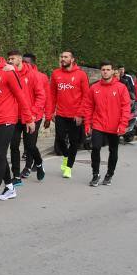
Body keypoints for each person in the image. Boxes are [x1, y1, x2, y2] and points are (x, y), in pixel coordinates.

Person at [0, 39, 34, 207]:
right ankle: (10, 187)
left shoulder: (8, 72)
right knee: (0, 155)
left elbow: (21, 96)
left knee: (1, 155)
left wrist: (29, 118)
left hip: (8, 120)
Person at [82, 61, 131, 186]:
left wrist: (122, 124)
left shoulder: (121, 88)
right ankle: (95, 174)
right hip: (98, 124)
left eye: (108, 69)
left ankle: (109, 174)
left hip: (115, 126)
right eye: (103, 69)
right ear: (101, 71)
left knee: (113, 150)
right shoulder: (94, 88)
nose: (105, 72)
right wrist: (87, 124)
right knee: (96, 147)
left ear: (113, 71)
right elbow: (88, 107)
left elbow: (126, 107)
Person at [45, 50, 90, 179]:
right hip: (61, 114)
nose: (63, 59)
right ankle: (66, 156)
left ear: (72, 59)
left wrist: (80, 114)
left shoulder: (81, 75)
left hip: (76, 115)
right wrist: (50, 113)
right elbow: (52, 95)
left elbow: (86, 96)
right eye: (62, 57)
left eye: (66, 57)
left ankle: (69, 167)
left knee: (74, 142)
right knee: (59, 139)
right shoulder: (56, 74)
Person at [6, 50, 45, 186]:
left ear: (20, 59)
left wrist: (32, 115)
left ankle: (39, 163)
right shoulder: (9, 74)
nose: (10, 61)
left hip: (32, 117)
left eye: (12, 59)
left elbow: (41, 96)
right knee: (14, 145)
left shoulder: (33, 75)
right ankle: (16, 176)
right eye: (8, 59)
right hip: (15, 117)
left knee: (30, 145)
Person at [18, 52, 47, 181]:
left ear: (33, 64)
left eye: (26, 62)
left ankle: (33, 165)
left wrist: (48, 114)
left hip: (35, 116)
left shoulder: (40, 77)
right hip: (19, 115)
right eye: (22, 61)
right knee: (20, 144)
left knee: (30, 143)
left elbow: (45, 97)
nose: (23, 64)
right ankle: (27, 167)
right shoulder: (15, 74)